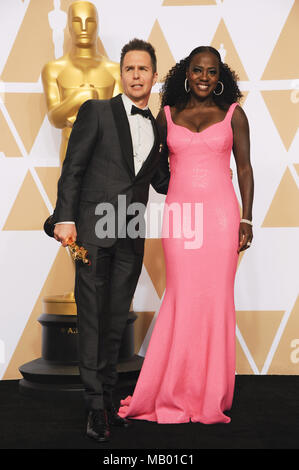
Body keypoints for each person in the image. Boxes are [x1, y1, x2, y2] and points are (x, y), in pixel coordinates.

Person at [118, 46, 254, 424]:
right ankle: (174, 386)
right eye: (198, 71)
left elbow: (244, 169)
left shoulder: (234, 115)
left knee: (214, 300)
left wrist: (247, 219)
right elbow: (152, 167)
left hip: (222, 218)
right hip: (181, 218)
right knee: (181, 296)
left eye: (212, 72)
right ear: (186, 74)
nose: (205, 78)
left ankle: (211, 391)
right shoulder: (167, 116)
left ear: (220, 76)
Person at [51, 38, 170, 443]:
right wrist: (65, 217)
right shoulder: (97, 111)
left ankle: (106, 399)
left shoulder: (156, 127)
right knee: (92, 318)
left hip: (131, 231)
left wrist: (204, 168)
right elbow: (74, 168)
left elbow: (161, 180)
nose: (136, 75)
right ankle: (94, 409)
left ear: (154, 76)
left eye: (143, 69)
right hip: (93, 230)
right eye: (130, 68)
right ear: (121, 75)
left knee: (116, 320)